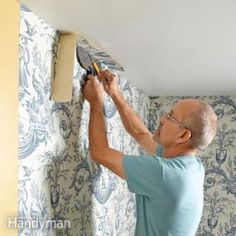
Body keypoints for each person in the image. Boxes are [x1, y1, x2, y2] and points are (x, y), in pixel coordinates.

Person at [82, 70, 217, 236]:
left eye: (170, 117)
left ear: (183, 135)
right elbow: (141, 134)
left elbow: (100, 152)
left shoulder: (165, 173)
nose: (162, 119)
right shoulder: (192, 166)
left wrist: (96, 102)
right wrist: (115, 93)